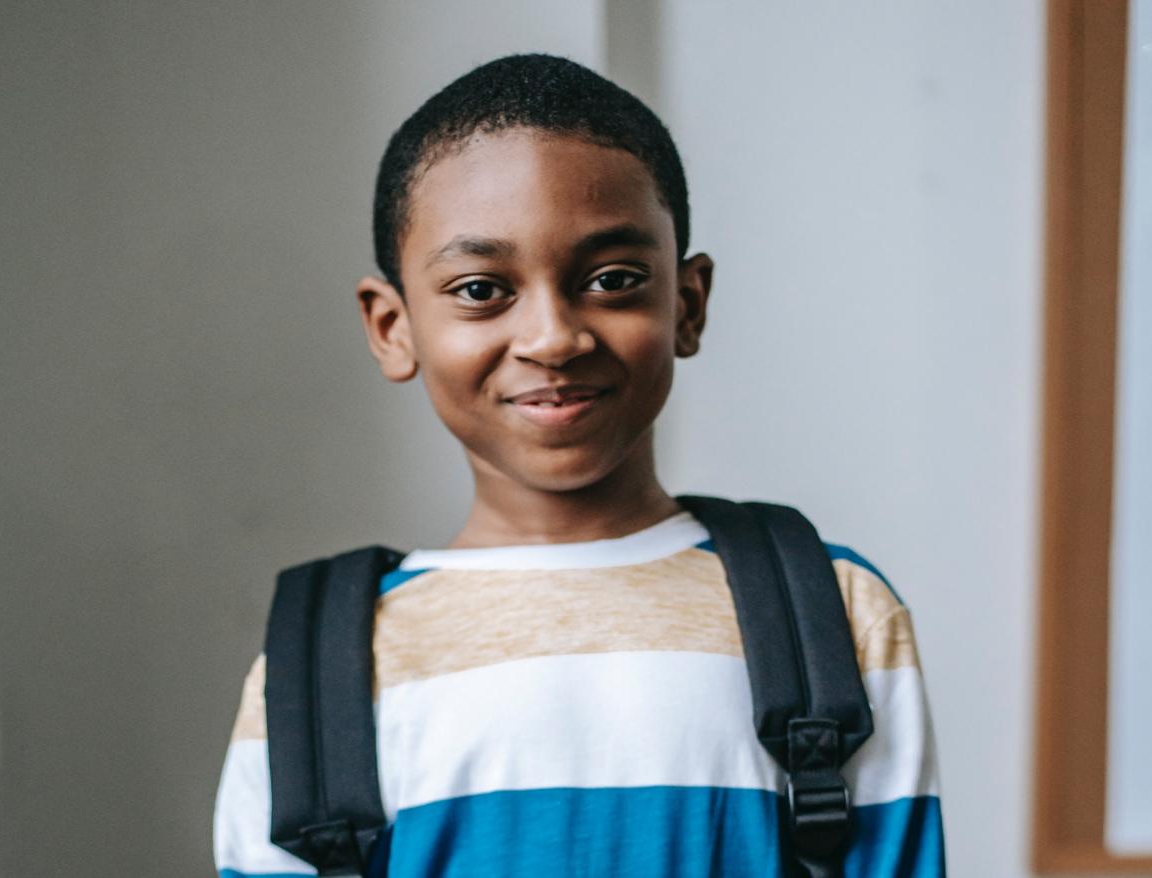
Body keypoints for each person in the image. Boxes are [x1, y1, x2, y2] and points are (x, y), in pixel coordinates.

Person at [213, 53, 945, 877]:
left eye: (613, 279)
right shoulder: (321, 674)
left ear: (687, 304)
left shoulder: (831, 616)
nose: (554, 337)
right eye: (482, 289)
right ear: (393, 327)